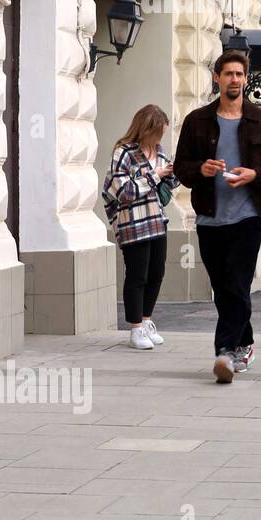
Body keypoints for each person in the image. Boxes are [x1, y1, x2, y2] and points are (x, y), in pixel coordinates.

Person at [173, 51, 261, 384]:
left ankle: (224, 351)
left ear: (246, 79)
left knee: (238, 283)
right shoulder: (197, 121)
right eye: (228, 74)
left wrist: (254, 174)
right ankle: (246, 342)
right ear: (217, 78)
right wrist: (201, 169)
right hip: (209, 218)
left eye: (239, 74)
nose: (234, 79)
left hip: (248, 216)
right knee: (223, 289)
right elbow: (181, 168)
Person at [102, 104, 179, 350]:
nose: (160, 139)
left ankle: (146, 322)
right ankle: (135, 328)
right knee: (137, 275)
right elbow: (123, 192)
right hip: (132, 222)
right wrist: (155, 175)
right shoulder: (123, 152)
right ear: (146, 129)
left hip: (157, 220)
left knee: (157, 273)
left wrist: (171, 173)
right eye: (158, 133)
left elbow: (171, 185)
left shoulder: (160, 150)